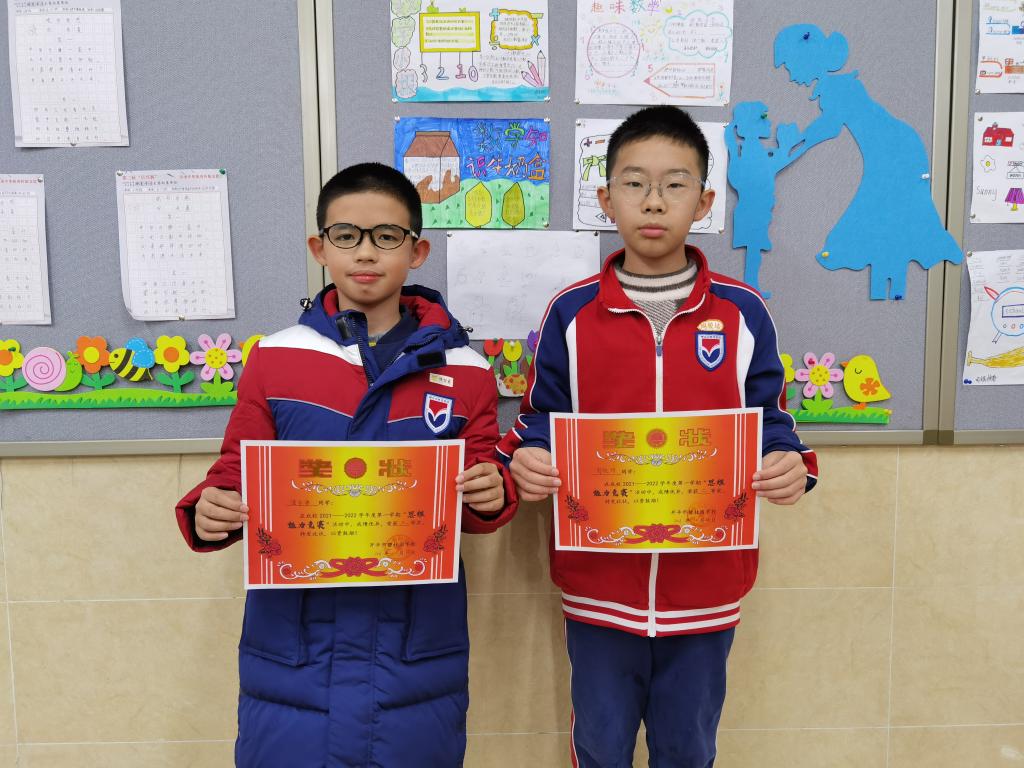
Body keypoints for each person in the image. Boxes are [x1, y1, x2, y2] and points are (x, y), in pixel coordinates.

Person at [498, 106, 818, 768]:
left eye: (675, 185)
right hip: (599, 585)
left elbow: (771, 420)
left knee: (689, 749)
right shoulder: (571, 312)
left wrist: (791, 463)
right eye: (635, 183)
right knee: (599, 746)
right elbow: (540, 417)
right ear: (605, 199)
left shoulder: (743, 312)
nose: (653, 201)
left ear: (703, 202)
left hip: (706, 586)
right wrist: (528, 457)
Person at [175, 162, 517, 767]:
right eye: (346, 235)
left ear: (416, 251)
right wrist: (211, 509)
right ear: (320, 249)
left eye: (386, 236)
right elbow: (234, 473)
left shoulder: (465, 369)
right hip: (295, 651)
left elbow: (480, 485)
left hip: (415, 655)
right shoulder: (277, 357)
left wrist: (493, 493)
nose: (365, 252)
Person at [773, 24, 963, 300]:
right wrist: (790, 148)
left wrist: (787, 153)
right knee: (884, 214)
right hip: (895, 147)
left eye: (790, 66)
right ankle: (890, 286)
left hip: (896, 151)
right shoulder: (836, 86)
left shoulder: (837, 87)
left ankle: (891, 285)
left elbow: (827, 128)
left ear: (807, 58)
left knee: (879, 211)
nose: (790, 75)